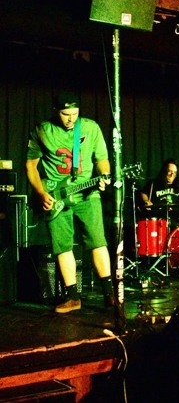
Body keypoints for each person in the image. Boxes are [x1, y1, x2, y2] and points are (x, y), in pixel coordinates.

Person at [26, 91, 115, 313]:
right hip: (55, 195)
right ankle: (73, 297)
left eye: (75, 114)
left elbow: (102, 160)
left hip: (87, 193)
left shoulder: (90, 128)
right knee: (62, 246)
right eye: (66, 114)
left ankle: (110, 295)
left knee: (98, 241)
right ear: (55, 111)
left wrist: (104, 176)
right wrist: (41, 193)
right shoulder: (43, 130)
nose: (71, 119)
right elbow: (31, 166)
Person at [138, 158, 179, 227]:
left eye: (175, 172)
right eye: (169, 171)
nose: (172, 174)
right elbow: (143, 192)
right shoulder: (154, 184)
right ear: (164, 171)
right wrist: (146, 200)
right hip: (157, 220)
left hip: (175, 220)